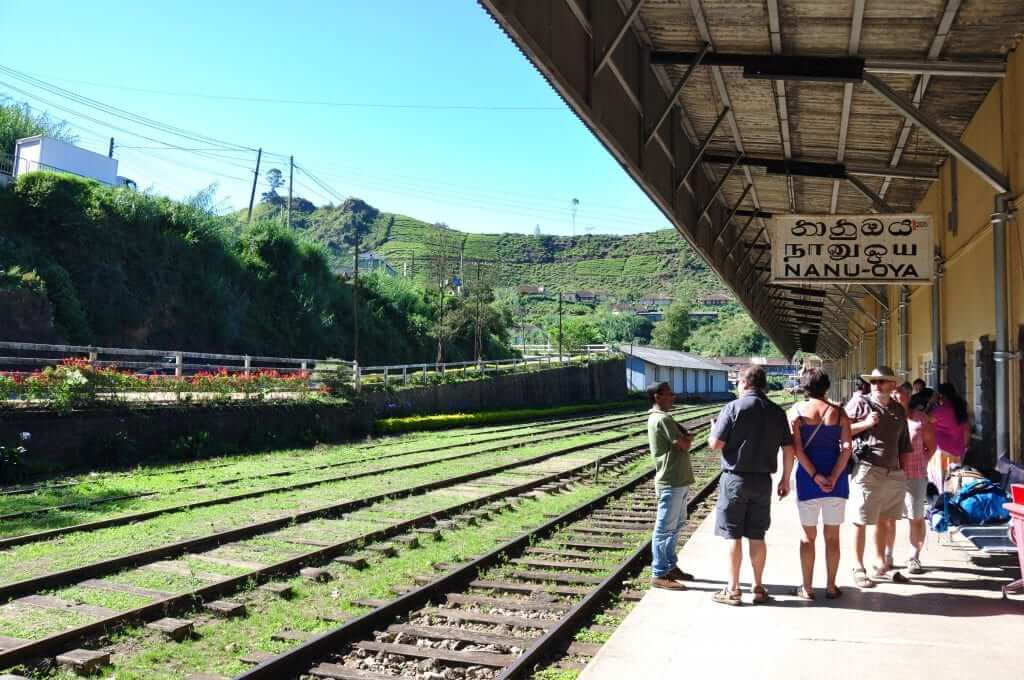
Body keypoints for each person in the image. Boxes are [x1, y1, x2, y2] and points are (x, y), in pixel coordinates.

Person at [707, 365, 795, 605]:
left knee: (733, 535)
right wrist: (786, 479)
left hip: (735, 480)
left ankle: (733, 589)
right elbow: (789, 449)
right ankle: (758, 587)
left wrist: (713, 428)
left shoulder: (733, 408)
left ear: (745, 383)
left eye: (738, 382)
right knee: (757, 534)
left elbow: (715, 444)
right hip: (763, 481)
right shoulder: (777, 412)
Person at [782, 368, 853, 600]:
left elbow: (797, 450)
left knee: (807, 536)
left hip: (808, 482)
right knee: (832, 536)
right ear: (827, 387)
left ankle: (807, 587)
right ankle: (831, 586)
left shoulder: (797, 412)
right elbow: (846, 449)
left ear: (804, 387)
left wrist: (815, 476)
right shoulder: (840, 413)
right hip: (837, 482)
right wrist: (833, 476)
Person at [846, 366, 913, 588]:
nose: (876, 385)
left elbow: (904, 442)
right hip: (868, 468)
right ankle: (858, 566)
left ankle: (880, 563)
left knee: (886, 519)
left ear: (892, 384)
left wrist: (904, 470)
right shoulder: (860, 403)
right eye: (873, 381)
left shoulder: (898, 410)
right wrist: (865, 424)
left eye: (881, 381)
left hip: (893, 472)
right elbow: (839, 429)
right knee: (861, 519)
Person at [646, 382, 695, 590]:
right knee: (665, 528)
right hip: (671, 481)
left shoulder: (661, 417)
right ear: (657, 397)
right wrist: (687, 439)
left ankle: (670, 566)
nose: (673, 397)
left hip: (678, 480)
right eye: (669, 394)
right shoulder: (663, 418)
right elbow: (683, 445)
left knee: (675, 527)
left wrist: (685, 437)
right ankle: (659, 573)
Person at [901, 389, 936, 573]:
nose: (897, 398)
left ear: (908, 398)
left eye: (901, 395)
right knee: (888, 519)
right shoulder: (886, 418)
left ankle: (914, 555)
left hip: (914, 474)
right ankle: (886, 556)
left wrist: (921, 463)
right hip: (890, 475)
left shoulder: (920, 419)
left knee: (915, 516)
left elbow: (932, 446)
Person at [928, 382, 970, 492]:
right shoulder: (960, 407)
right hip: (957, 451)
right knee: (955, 485)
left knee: (941, 486)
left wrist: (932, 402)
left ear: (940, 395)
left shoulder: (940, 410)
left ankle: (942, 507)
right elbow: (966, 429)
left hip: (942, 452)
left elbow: (925, 420)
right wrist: (964, 447)